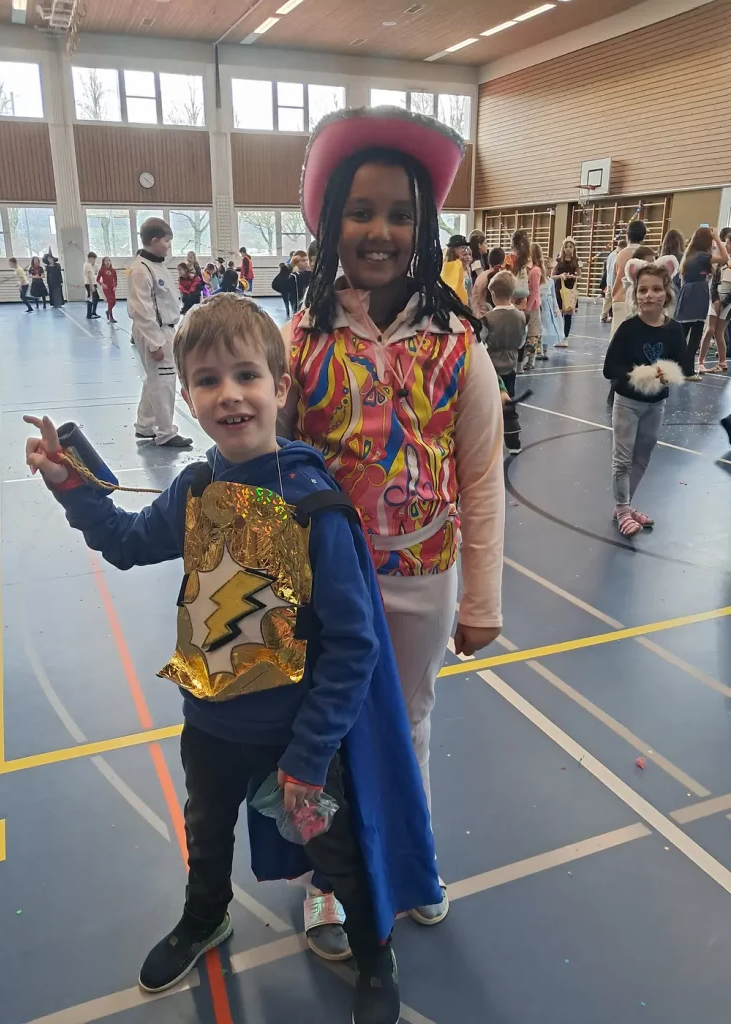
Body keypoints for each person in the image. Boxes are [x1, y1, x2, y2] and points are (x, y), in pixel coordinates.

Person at [23, 294, 441, 1024]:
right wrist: (70, 480)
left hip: (296, 737)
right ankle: (204, 916)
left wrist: (310, 753)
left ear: (280, 387)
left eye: (247, 375)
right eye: (208, 380)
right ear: (187, 398)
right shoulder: (196, 488)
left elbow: (354, 645)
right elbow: (125, 542)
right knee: (207, 830)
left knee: (337, 854)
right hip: (211, 722)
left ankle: (374, 950)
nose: (229, 394)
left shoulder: (313, 506)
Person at [281, 106, 504, 956]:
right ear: (330, 220)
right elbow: (266, 464)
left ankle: (411, 861)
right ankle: (326, 880)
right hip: (327, 579)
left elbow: (481, 477)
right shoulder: (300, 340)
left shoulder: (459, 344)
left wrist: (481, 598)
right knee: (324, 728)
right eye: (361, 211)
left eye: (400, 215)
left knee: (410, 721)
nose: (380, 231)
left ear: (426, 229)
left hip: (424, 575)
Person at [603, 256, 684, 537]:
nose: (649, 294)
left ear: (667, 293)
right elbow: (609, 369)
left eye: (656, 289)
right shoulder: (628, 328)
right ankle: (623, 508)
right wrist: (639, 374)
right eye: (643, 289)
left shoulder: (674, 329)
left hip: (656, 404)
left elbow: (683, 365)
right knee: (622, 459)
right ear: (635, 294)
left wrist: (667, 373)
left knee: (643, 456)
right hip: (627, 403)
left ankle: (624, 506)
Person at [127, 216, 192, 448]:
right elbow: (142, 310)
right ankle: (165, 432)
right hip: (155, 331)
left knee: (155, 378)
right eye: (166, 241)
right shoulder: (140, 270)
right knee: (164, 381)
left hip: (166, 329)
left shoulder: (157, 265)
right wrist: (155, 342)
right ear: (154, 240)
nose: (168, 246)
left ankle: (145, 425)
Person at [479, 270, 525, 454]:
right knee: (509, 404)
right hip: (511, 366)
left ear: (492, 294)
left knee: (489, 405)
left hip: (492, 368)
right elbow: (521, 342)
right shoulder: (521, 316)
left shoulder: (488, 319)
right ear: (512, 293)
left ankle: (489, 442)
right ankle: (514, 442)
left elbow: (480, 342)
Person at [675, 226, 729, 380]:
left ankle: (680, 368)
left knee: (683, 333)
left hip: (689, 294)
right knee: (695, 335)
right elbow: (725, 258)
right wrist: (717, 238)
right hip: (697, 296)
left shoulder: (690, 255)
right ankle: (688, 371)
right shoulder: (701, 256)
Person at [697, 226, 731, 374]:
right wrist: (715, 299)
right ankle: (701, 361)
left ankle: (721, 362)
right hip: (717, 297)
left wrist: (724, 303)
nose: (726, 246)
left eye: (728, 244)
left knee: (718, 331)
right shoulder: (722, 260)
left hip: (728, 302)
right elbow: (715, 282)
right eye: (726, 243)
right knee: (710, 329)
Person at [609, 219, 648, 336]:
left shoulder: (619, 254)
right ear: (644, 236)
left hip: (619, 298)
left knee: (616, 337)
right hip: (639, 301)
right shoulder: (646, 254)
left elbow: (612, 279)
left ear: (627, 235)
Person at [551, 237, 579, 345]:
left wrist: (573, 276)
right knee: (558, 315)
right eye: (566, 247)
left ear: (573, 248)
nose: (568, 249)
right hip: (559, 290)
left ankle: (565, 338)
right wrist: (561, 276)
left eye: (570, 247)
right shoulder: (558, 261)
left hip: (570, 290)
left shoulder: (576, 262)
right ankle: (558, 337)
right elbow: (552, 275)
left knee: (568, 315)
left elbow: (580, 275)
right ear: (563, 248)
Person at [523, 241, 544, 370]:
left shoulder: (535, 271)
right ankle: (529, 360)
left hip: (533, 306)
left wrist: (528, 308)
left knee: (533, 334)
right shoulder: (530, 269)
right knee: (530, 334)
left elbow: (534, 291)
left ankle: (531, 361)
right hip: (530, 304)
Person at [471, 246, 505, 318]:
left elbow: (474, 299)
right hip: (500, 317)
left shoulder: (481, 277)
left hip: (482, 316)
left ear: (488, 261)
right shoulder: (505, 277)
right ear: (503, 261)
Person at [539, 254, 562, 354]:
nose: (550, 270)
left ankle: (545, 350)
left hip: (548, 307)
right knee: (540, 328)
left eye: (551, 268)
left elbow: (553, 296)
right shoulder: (538, 280)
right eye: (548, 268)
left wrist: (555, 308)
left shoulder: (551, 281)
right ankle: (538, 348)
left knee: (547, 329)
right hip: (540, 305)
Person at [440, 234, 471, 305]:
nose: (465, 250)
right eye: (462, 248)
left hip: (465, 304)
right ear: (454, 249)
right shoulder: (449, 266)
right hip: (456, 304)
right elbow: (452, 288)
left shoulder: (463, 266)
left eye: (466, 247)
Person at [601, 239, 625, 323]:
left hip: (610, 282)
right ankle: (610, 316)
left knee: (608, 300)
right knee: (614, 300)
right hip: (614, 282)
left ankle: (604, 316)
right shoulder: (618, 255)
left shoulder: (611, 255)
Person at [96, 257, 118, 323]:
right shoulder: (102, 270)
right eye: (106, 261)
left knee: (114, 302)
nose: (108, 262)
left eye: (109, 261)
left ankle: (108, 311)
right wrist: (102, 284)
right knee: (110, 301)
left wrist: (115, 286)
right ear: (103, 262)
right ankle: (111, 317)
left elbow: (115, 279)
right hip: (106, 288)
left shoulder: (113, 270)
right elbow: (97, 279)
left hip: (112, 287)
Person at [83, 252, 101, 319]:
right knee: (91, 298)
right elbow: (89, 276)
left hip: (92, 283)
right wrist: (92, 285)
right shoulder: (87, 265)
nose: (94, 261)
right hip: (90, 284)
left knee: (95, 298)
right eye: (94, 259)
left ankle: (93, 312)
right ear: (91, 258)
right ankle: (89, 314)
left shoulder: (88, 265)